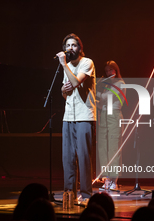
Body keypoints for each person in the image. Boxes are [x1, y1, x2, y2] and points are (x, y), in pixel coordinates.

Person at [55, 33, 96, 201]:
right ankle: (69, 193)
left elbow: (76, 82)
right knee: (68, 157)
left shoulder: (86, 63)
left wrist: (64, 65)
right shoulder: (67, 66)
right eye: (67, 45)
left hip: (84, 116)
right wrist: (63, 91)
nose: (70, 48)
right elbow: (66, 93)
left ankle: (86, 194)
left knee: (84, 156)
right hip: (68, 117)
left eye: (74, 45)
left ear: (80, 48)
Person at [97, 61, 125, 190]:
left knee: (113, 148)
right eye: (107, 71)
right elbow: (100, 103)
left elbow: (106, 97)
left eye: (111, 70)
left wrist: (92, 90)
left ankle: (114, 180)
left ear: (116, 70)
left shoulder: (120, 83)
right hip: (103, 116)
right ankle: (106, 179)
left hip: (114, 116)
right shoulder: (105, 85)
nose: (109, 73)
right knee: (103, 147)